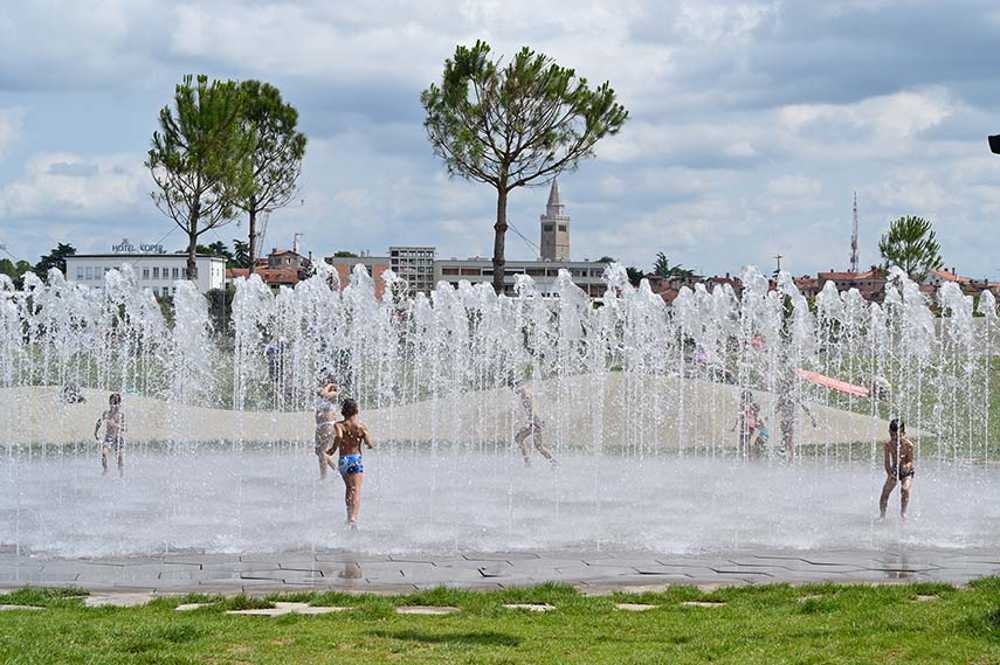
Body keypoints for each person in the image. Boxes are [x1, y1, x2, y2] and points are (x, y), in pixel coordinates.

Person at [332, 398, 373, 529]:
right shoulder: (360, 427)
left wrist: (333, 449)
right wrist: (366, 438)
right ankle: (353, 519)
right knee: (356, 490)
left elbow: (338, 436)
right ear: (356, 411)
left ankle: (348, 516)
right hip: (355, 460)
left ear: (343, 411)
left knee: (349, 489)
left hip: (343, 461)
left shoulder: (339, 425)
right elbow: (369, 445)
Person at [513, 382, 557, 467]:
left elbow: (533, 410)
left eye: (516, 389)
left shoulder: (526, 395)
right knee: (535, 445)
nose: (515, 392)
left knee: (522, 440)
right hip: (535, 422)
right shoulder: (527, 393)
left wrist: (537, 423)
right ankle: (552, 461)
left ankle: (529, 462)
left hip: (536, 423)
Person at [879, 419, 915, 520]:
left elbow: (910, 461)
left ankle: (903, 513)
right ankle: (882, 515)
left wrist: (907, 466)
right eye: (892, 435)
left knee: (905, 489)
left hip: (906, 471)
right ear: (889, 432)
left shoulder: (909, 445)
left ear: (903, 433)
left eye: (897, 436)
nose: (894, 438)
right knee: (885, 492)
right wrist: (890, 473)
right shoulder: (888, 445)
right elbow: (887, 463)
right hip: (894, 469)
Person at [94, 392, 126, 476]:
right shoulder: (106, 413)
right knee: (104, 453)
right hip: (109, 437)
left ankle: (121, 472)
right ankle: (105, 470)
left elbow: (124, 428)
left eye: (116, 403)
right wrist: (96, 432)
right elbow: (99, 422)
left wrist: (116, 425)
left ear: (119, 404)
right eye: (111, 403)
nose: (113, 406)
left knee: (120, 456)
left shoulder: (121, 415)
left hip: (119, 438)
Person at [314, 380, 339, 479]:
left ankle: (323, 477)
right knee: (318, 452)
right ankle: (337, 469)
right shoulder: (321, 393)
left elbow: (326, 395)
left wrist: (329, 385)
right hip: (320, 426)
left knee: (322, 452)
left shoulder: (334, 393)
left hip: (328, 425)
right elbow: (319, 392)